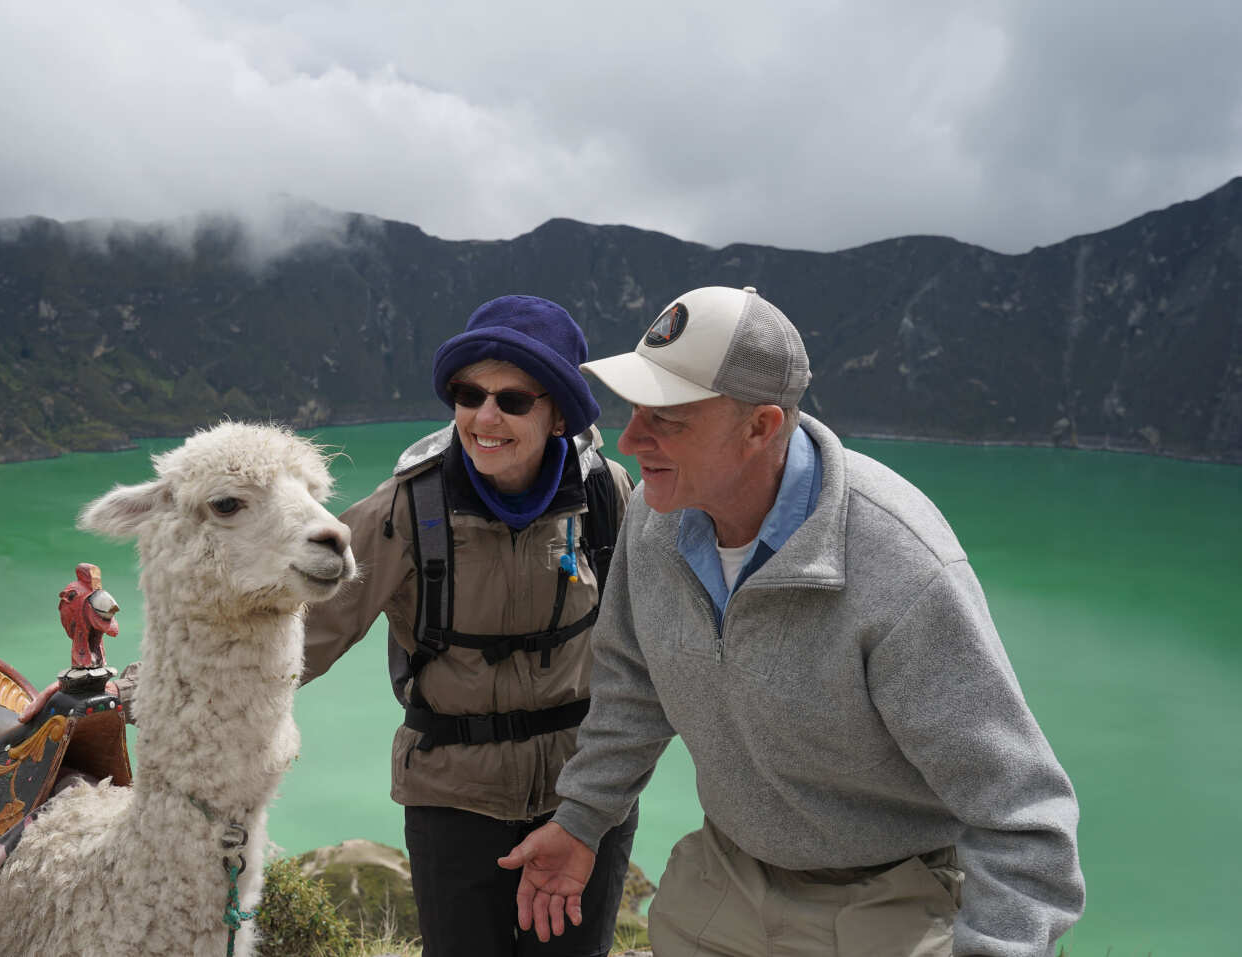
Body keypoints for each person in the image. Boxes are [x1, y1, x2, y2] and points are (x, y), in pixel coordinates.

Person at [498, 286, 1084, 956]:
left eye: (670, 419)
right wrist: (580, 820)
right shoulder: (653, 521)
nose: (631, 440)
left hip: (891, 897)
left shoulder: (898, 564)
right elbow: (634, 684)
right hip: (727, 875)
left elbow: (1021, 815)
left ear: (761, 426)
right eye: (636, 410)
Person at [302, 295, 639, 957]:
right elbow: (299, 637)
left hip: (580, 794)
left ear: (558, 411)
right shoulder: (405, 509)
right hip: (454, 799)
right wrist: (167, 695)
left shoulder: (605, 493)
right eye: (468, 393)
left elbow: (657, 633)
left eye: (512, 400)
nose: (484, 418)